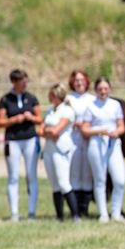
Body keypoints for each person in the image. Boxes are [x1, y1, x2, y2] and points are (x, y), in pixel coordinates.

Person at [0, 69, 42, 222]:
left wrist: (32, 118)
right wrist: (14, 120)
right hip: (13, 140)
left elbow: (40, 119)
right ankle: (14, 212)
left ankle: (32, 212)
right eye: (23, 81)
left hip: (29, 139)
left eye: (26, 81)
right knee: (13, 176)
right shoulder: (5, 99)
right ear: (14, 82)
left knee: (31, 175)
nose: (25, 84)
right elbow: (0, 121)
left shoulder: (31, 98)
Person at [80, 77, 125, 223]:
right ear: (95, 90)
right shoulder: (91, 106)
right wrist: (99, 131)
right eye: (100, 89)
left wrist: (116, 132)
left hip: (113, 144)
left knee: (119, 180)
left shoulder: (115, 105)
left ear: (110, 89)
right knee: (100, 180)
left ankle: (116, 212)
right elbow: (85, 130)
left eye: (105, 89)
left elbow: (121, 126)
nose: (103, 92)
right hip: (97, 143)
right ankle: (103, 213)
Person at [41, 83, 80, 222]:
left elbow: (56, 130)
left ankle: (75, 214)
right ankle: (59, 216)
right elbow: (42, 131)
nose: (49, 97)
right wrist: (49, 132)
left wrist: (49, 131)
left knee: (64, 183)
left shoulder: (67, 111)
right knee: (54, 184)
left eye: (51, 95)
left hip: (61, 149)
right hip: (49, 150)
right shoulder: (50, 111)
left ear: (57, 95)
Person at [66, 69, 96, 217]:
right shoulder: (68, 99)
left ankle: (85, 208)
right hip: (74, 138)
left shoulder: (92, 99)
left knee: (88, 173)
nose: (79, 83)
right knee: (75, 172)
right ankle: (76, 208)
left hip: (89, 138)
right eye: (76, 80)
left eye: (82, 80)